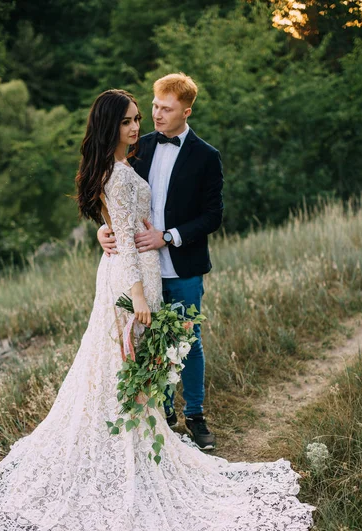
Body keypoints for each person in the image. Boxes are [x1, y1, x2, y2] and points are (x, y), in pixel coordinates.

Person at [0, 89, 313, 531]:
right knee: (126, 368)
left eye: (152, 114)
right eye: (136, 117)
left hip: (167, 266)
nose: (145, 123)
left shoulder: (195, 156)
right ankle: (127, 455)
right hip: (132, 281)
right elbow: (111, 212)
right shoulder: (131, 160)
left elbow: (205, 214)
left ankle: (187, 420)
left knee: (164, 355)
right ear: (118, 125)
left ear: (184, 111)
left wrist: (149, 238)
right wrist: (121, 266)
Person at [97, 73, 222, 450]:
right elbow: (113, 199)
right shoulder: (139, 145)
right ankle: (163, 416)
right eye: (154, 106)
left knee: (188, 341)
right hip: (140, 271)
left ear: (186, 111)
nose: (155, 115)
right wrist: (102, 231)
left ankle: (196, 416)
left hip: (182, 266)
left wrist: (168, 236)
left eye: (165, 109)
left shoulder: (206, 156)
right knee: (149, 343)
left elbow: (212, 215)